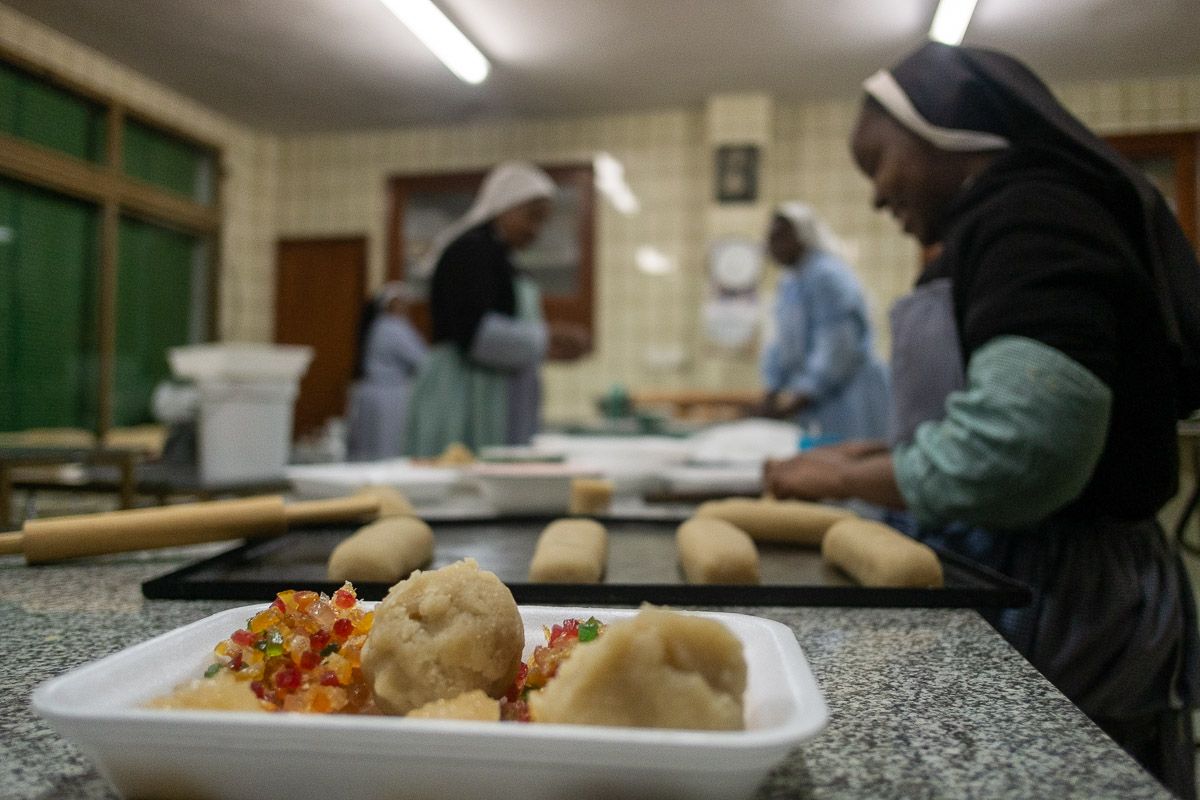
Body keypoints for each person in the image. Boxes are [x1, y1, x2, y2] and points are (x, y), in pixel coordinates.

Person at [763, 42, 1200, 798]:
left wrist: (846, 477)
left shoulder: (1035, 214)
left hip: (1061, 596)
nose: (875, 197)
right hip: (1009, 566)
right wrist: (871, 456)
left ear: (949, 132)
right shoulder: (994, 229)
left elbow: (1019, 450)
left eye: (878, 163)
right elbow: (991, 408)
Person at [405, 162, 587, 456]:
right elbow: (472, 332)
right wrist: (546, 338)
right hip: (463, 393)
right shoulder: (470, 251)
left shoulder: (501, 257)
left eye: (542, 221)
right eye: (532, 217)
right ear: (505, 206)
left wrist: (544, 342)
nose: (535, 230)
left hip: (490, 391)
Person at [753, 202, 889, 442]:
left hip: (849, 396)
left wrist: (800, 398)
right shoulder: (790, 282)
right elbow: (782, 343)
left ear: (803, 237)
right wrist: (771, 390)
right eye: (770, 238)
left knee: (851, 457)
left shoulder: (827, 276)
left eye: (780, 238)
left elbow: (838, 348)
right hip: (816, 402)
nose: (772, 245)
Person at [344, 281, 428, 461]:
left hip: (374, 393)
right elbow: (421, 360)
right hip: (389, 397)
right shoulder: (395, 328)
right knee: (387, 448)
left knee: (370, 448)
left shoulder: (377, 326)